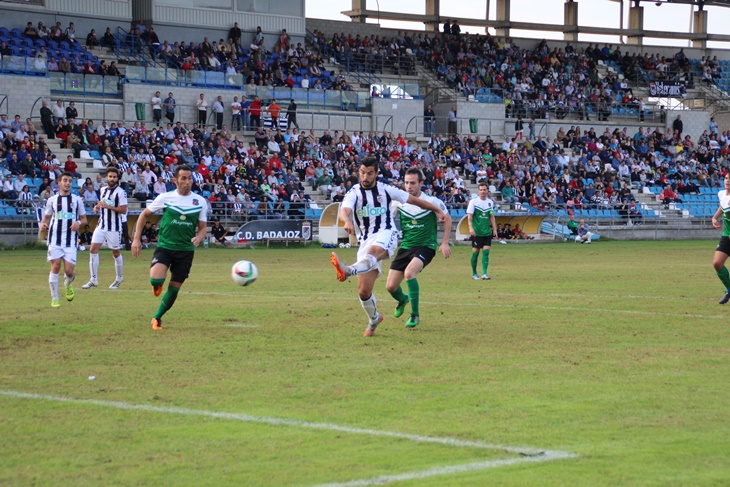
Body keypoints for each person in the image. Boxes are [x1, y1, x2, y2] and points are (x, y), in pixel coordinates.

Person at [329, 157, 446, 337]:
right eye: (362, 172)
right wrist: (346, 221)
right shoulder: (354, 192)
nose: (365, 176)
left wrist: (437, 210)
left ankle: (348, 270)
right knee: (364, 291)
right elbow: (344, 210)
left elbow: (414, 201)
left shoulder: (387, 190)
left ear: (376, 174)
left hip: (386, 233)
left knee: (373, 253)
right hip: (365, 240)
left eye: (369, 173)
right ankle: (374, 318)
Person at [132, 165, 208, 330]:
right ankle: (157, 283)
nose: (187, 181)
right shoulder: (165, 197)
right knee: (155, 279)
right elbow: (144, 215)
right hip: (165, 247)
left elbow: (203, 227)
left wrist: (199, 237)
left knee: (174, 289)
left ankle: (157, 317)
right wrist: (136, 239)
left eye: (189, 178)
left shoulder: (200, 201)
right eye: (183, 178)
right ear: (175, 181)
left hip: (186, 251)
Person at [385, 168, 452, 329]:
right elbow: (386, 220)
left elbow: (447, 218)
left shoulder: (432, 202)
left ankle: (414, 315)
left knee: (409, 273)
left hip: (426, 246)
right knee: (390, 286)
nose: (409, 186)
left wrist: (444, 242)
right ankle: (402, 299)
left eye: (413, 183)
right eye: (406, 182)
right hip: (406, 246)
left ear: (421, 183)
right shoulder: (398, 202)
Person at [39, 172, 87, 307]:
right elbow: (46, 218)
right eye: (65, 180)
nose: (67, 183)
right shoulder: (52, 200)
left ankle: (68, 283)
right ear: (59, 183)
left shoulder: (77, 200)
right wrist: (43, 224)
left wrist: (78, 222)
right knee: (55, 267)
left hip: (71, 241)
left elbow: (84, 219)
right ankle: (55, 298)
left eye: (70, 181)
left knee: (69, 271)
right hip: (54, 240)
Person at [81, 167, 128, 290]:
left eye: (114, 177)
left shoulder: (121, 192)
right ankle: (93, 279)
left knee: (115, 252)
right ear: (106, 177)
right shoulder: (102, 190)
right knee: (93, 250)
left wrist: (108, 207)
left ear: (117, 178)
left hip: (114, 227)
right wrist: (97, 206)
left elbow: (123, 210)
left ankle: (119, 278)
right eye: (110, 176)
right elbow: (102, 202)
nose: (112, 179)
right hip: (101, 225)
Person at [467, 182, 498, 280]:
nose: (482, 191)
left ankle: (484, 273)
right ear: (478, 191)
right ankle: (474, 273)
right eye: (481, 190)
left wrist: (495, 229)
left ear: (487, 191)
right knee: (476, 252)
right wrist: (470, 228)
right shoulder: (473, 202)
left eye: (484, 189)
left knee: (486, 252)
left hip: (487, 232)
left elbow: (491, 216)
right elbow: (470, 217)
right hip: (477, 232)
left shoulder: (490, 202)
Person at [711, 173, 730, 304]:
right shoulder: (722, 194)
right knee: (717, 263)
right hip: (726, 236)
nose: (728, 181)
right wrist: (714, 217)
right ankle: (729, 289)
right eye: (726, 178)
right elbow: (723, 207)